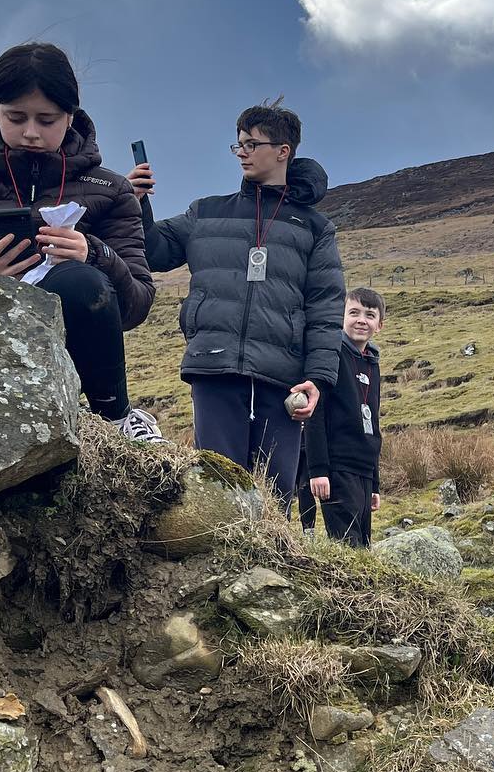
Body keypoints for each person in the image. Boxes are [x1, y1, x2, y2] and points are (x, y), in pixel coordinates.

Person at [0, 42, 162, 441]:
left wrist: (95, 254)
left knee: (79, 281)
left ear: (71, 116)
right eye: (15, 117)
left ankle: (116, 418)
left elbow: (136, 306)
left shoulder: (112, 190)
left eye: (47, 119)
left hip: (77, 348)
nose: (31, 133)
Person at [129, 99, 344, 505]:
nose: (242, 152)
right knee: (216, 487)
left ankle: (269, 567)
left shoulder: (315, 228)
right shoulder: (205, 213)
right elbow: (153, 251)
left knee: (275, 493)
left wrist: (317, 378)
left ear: (283, 151)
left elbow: (326, 308)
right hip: (214, 364)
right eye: (238, 144)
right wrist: (137, 204)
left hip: (282, 375)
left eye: (252, 144)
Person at [298, 287, 385, 546]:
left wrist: (375, 483)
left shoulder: (372, 364)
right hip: (337, 467)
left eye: (369, 315)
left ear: (379, 324)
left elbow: (373, 423)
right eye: (354, 313)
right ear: (342, 317)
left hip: (363, 470)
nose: (361, 320)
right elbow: (315, 415)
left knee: (363, 544)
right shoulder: (330, 356)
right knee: (348, 545)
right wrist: (318, 470)